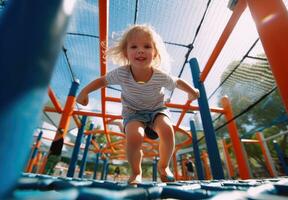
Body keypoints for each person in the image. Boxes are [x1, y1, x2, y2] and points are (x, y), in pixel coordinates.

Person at [76, 24, 200, 184]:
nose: (140, 50)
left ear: (154, 53)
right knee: (135, 136)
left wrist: (192, 92)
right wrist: (84, 92)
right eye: (134, 46)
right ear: (126, 53)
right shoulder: (122, 73)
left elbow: (177, 82)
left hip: (157, 110)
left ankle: (164, 167)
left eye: (147, 46)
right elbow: (102, 81)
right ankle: (136, 172)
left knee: (167, 129)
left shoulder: (159, 75)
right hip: (133, 112)